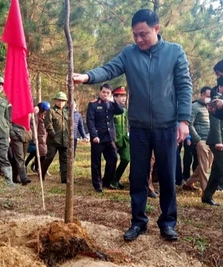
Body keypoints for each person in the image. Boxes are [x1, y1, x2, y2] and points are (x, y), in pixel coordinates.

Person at [72, 9, 192, 241]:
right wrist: (87, 77)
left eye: (143, 34)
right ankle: (138, 221)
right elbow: (109, 69)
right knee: (137, 176)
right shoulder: (129, 54)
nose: (138, 39)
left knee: (167, 176)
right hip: (138, 127)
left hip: (166, 126)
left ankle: (168, 222)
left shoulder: (175, 52)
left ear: (156, 29)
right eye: (135, 35)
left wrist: (184, 120)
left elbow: (184, 86)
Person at [87, 84, 124, 192]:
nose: (105, 94)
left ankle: (106, 181)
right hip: (98, 138)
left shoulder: (112, 104)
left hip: (109, 137)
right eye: (103, 92)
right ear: (100, 92)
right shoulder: (93, 104)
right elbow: (90, 121)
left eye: (107, 93)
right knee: (96, 162)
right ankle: (97, 185)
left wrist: (113, 101)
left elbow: (120, 111)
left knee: (113, 158)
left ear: (110, 94)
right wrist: (94, 136)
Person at [183, 86, 212, 192]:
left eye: (210, 96)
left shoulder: (210, 107)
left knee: (206, 165)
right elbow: (189, 124)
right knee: (204, 168)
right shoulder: (194, 107)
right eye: (208, 96)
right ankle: (207, 192)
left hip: (211, 140)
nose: (209, 98)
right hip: (201, 141)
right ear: (202, 95)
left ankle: (188, 184)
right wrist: (197, 140)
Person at [202, 78, 223, 206]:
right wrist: (218, 141)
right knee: (221, 168)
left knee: (217, 169)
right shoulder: (217, 100)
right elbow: (215, 121)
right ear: (220, 87)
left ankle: (207, 196)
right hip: (217, 140)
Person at [41, 92, 69, 183]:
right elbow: (48, 124)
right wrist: (53, 135)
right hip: (53, 141)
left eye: (63, 101)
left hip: (64, 140)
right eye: (59, 100)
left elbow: (69, 125)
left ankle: (64, 179)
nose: (61, 102)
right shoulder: (51, 111)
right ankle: (42, 174)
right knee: (49, 157)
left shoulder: (66, 112)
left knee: (64, 160)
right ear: (55, 101)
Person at [111, 86, 129, 189]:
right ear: (115, 97)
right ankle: (112, 181)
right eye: (121, 96)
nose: (123, 98)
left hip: (123, 139)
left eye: (124, 96)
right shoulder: (111, 109)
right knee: (112, 161)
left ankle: (115, 179)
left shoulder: (125, 111)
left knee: (126, 159)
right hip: (113, 139)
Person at [9, 120, 32, 185]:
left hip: (26, 134)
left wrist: (30, 132)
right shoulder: (11, 109)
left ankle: (15, 176)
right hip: (16, 135)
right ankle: (24, 178)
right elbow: (8, 121)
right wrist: (12, 133)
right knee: (19, 157)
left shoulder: (26, 110)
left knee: (21, 157)